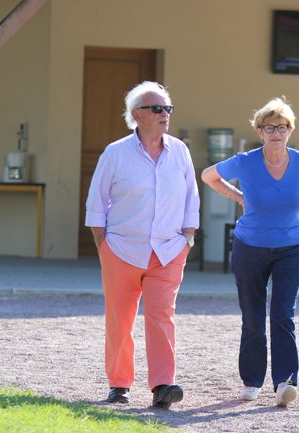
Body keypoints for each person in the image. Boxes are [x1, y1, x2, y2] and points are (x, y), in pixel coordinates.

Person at [201, 97, 299, 407]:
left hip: (292, 247)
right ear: (259, 131)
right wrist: (238, 196)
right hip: (250, 248)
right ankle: (252, 381)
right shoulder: (246, 161)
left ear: (290, 130)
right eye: (269, 127)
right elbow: (208, 176)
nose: (276, 133)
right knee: (253, 317)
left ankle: (285, 382)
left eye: (282, 127)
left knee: (283, 314)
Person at [85, 81, 200, 408]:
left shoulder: (180, 151)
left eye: (168, 108)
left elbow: (191, 197)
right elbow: (97, 202)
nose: (165, 114)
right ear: (136, 114)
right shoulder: (115, 153)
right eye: (157, 108)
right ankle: (119, 384)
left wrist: (187, 239)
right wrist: (103, 246)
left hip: (168, 251)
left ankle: (163, 386)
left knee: (162, 318)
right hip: (121, 251)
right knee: (119, 321)